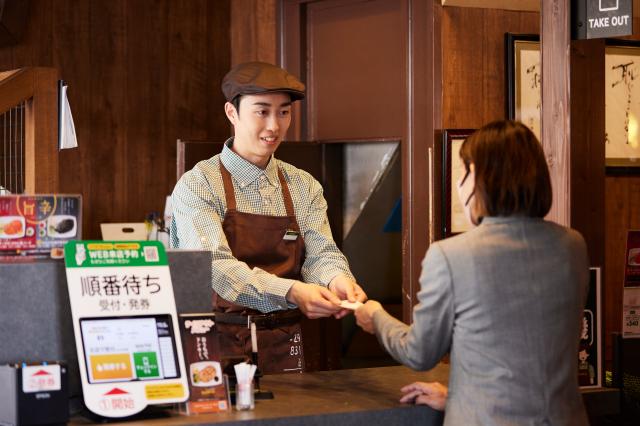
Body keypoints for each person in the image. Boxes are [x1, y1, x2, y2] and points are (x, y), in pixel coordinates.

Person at [355, 120, 589, 425]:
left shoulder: (452, 255)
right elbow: (523, 357)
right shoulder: (573, 246)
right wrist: (457, 395)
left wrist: (375, 317)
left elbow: (419, 352)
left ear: (475, 175)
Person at [171, 62, 366, 374]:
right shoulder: (199, 184)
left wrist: (338, 280)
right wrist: (290, 291)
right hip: (216, 339)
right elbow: (216, 267)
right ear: (231, 113)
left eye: (284, 112)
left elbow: (319, 253)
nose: (275, 126)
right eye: (262, 112)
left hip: (285, 339)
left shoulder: (304, 185)